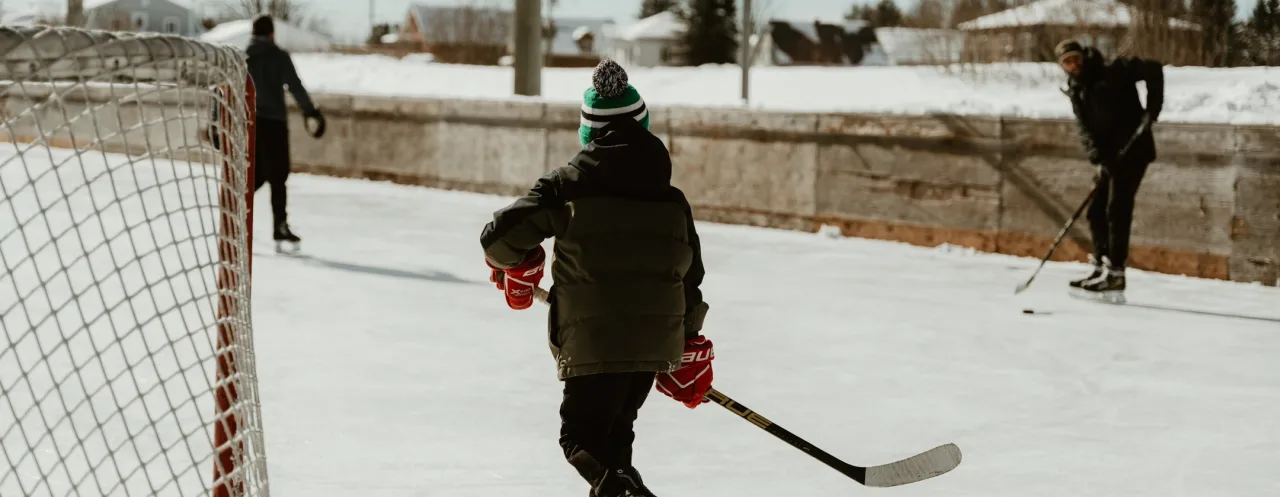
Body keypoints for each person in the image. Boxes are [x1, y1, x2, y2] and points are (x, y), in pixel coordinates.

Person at [478, 59, 713, 497]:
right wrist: (689, 340)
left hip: (592, 342)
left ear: (588, 132)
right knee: (615, 447)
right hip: (651, 345)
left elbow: (499, 238)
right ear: (643, 126)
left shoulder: (566, 187)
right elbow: (689, 276)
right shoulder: (671, 199)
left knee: (582, 440)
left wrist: (521, 264)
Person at [1056, 40, 1162, 300]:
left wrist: (1152, 111)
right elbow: (1085, 130)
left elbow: (1154, 69)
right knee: (1095, 211)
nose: (1073, 65)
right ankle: (1101, 266)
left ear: (1083, 56)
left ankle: (1116, 274)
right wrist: (1100, 158)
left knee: (1117, 208)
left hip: (1134, 150)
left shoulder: (1113, 71)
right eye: (1067, 62)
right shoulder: (1076, 89)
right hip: (1110, 158)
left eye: (1076, 58)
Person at [245, 15, 325, 252]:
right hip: (274, 124)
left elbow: (225, 89)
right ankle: (279, 226)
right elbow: (295, 85)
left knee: (257, 173)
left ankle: (236, 210)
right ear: (271, 34)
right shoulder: (279, 57)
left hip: (250, 123)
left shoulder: (243, 57)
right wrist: (311, 112)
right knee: (278, 176)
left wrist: (216, 121)